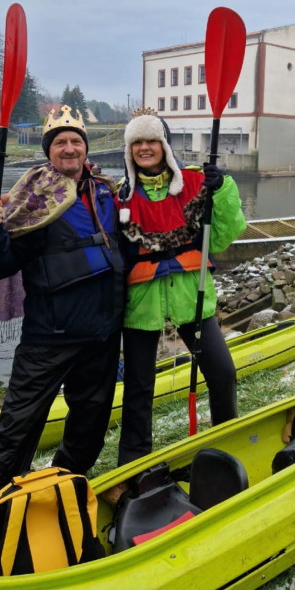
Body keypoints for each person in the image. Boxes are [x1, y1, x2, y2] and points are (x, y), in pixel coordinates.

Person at [0, 105, 125, 521]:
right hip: (48, 336)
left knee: (90, 426)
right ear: (49, 152)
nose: (69, 149)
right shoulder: (31, 196)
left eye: (76, 141)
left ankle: (64, 484)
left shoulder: (108, 191)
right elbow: (1, 265)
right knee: (16, 429)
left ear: (85, 148)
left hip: (102, 335)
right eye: (60, 143)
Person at [114, 108, 247, 465]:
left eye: (151, 141)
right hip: (141, 305)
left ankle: (225, 440)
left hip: (193, 299)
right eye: (136, 142)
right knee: (139, 390)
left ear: (164, 145)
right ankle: (134, 462)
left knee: (222, 374)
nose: (144, 148)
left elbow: (221, 238)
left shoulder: (195, 184)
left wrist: (221, 191)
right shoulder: (120, 198)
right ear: (129, 151)